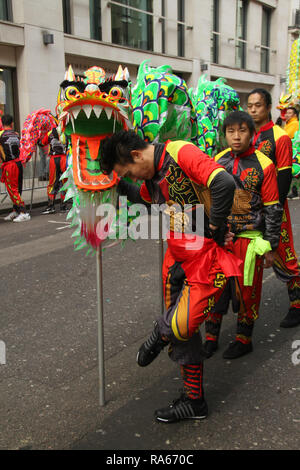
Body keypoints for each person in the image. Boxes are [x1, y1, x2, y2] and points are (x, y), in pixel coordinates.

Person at [99, 130, 242, 423]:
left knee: (180, 324)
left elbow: (224, 183)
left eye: (129, 171)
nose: (134, 177)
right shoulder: (151, 177)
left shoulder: (181, 152)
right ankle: (194, 402)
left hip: (207, 258)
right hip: (176, 256)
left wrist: (215, 226)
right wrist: (110, 186)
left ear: (137, 155)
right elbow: (143, 200)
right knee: (184, 336)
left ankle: (160, 332)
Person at [203, 111, 283, 359]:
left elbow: (272, 207)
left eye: (242, 131)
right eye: (230, 131)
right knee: (214, 287)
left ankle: (243, 338)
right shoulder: (217, 160)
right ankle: (210, 337)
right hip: (222, 238)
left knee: (247, 290)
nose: (236, 137)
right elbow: (209, 201)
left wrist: (271, 246)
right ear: (224, 134)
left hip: (249, 240)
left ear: (252, 133)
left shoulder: (265, 165)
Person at [247, 88, 300, 328]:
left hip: (274, 208)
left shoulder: (281, 137)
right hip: (249, 208)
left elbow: (284, 178)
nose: (253, 109)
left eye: (257, 105)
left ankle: (297, 306)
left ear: (268, 107)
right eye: (249, 105)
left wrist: (273, 212)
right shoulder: (246, 135)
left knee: (285, 255)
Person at [0, 114, 31, 222]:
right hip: (18, 163)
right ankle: (16, 210)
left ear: (2, 123)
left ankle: (23, 212)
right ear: (12, 123)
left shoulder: (1, 135)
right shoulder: (16, 134)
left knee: (12, 190)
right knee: (17, 189)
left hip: (10, 165)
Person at [41, 126, 67, 214]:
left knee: (52, 183)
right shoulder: (67, 131)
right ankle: (63, 206)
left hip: (54, 159)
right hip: (64, 158)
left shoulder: (50, 133)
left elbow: (42, 143)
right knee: (65, 182)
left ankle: (51, 206)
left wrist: (37, 140)